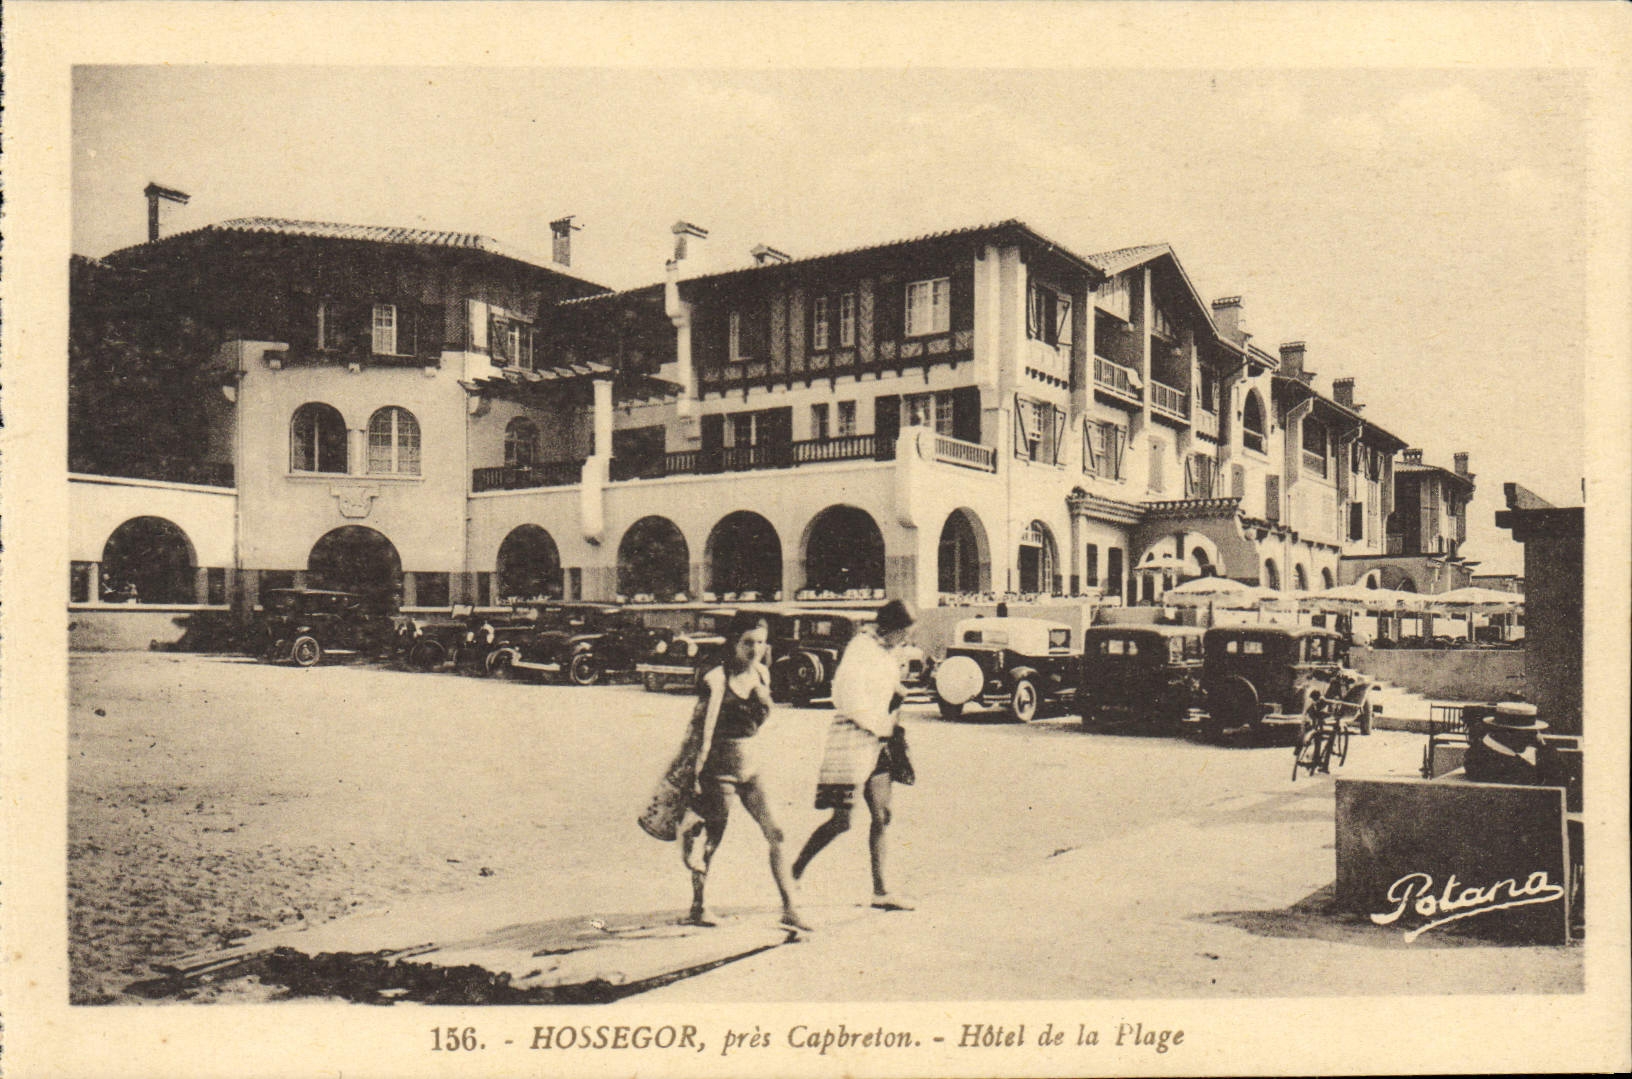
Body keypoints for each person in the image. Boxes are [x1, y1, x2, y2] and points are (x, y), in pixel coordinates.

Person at [679, 611, 808, 932]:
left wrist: (764, 708)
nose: (755, 650)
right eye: (747, 643)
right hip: (717, 770)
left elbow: (756, 725)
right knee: (712, 838)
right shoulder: (716, 680)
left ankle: (790, 909)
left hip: (750, 767)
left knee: (777, 832)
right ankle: (698, 905)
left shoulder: (763, 675)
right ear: (733, 643)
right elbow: (699, 730)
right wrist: (692, 777)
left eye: (761, 643)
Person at [792, 598, 916, 910]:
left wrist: (896, 696)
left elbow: (886, 687)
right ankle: (792, 873)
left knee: (882, 816)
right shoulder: (861, 648)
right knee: (842, 821)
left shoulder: (888, 651)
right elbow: (845, 696)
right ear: (888, 628)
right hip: (852, 737)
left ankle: (881, 890)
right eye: (903, 632)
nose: (905, 639)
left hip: (881, 739)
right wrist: (876, 721)